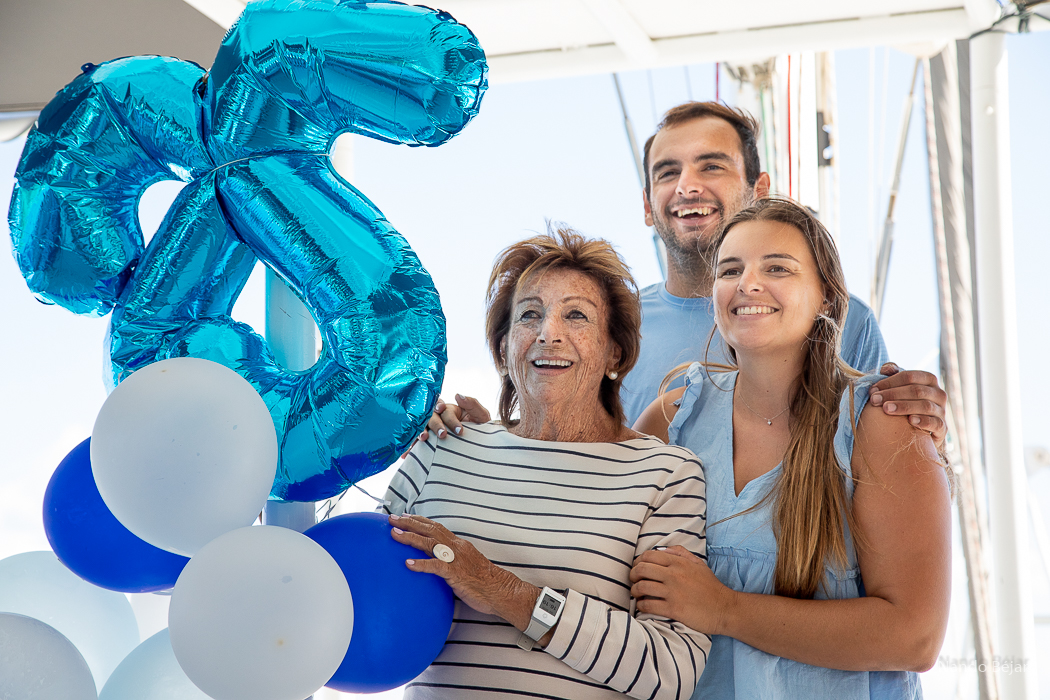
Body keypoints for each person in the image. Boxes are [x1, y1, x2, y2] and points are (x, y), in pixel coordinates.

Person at [426, 101, 948, 441]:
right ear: (647, 206)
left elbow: (880, 456)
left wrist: (920, 422)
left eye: (711, 166)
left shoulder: (844, 319)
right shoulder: (605, 328)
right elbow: (572, 452)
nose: (687, 186)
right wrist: (492, 439)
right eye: (667, 172)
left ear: (759, 190)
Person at [630, 197, 952, 699]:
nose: (748, 283)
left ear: (826, 296)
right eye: (730, 270)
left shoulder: (880, 423)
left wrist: (724, 609)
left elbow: (915, 637)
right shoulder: (673, 418)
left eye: (777, 267)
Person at [383, 228, 712, 699]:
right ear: (503, 350)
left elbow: (671, 672)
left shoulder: (666, 474)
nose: (548, 333)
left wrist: (502, 590)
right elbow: (365, 589)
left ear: (615, 352)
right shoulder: (442, 445)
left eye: (576, 315)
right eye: (529, 314)